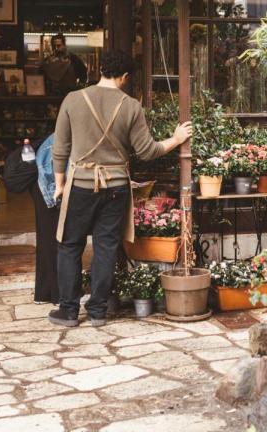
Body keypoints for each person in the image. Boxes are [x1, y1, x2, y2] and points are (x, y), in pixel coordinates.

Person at [50, 49, 191, 327]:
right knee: (106, 247)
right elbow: (148, 151)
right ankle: (98, 311)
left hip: (80, 183)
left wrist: (60, 184)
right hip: (115, 187)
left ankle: (68, 311)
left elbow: (60, 148)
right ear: (125, 77)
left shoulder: (73, 99)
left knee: (69, 246)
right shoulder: (131, 107)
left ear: (100, 70)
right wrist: (176, 139)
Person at [1, 135, 59, 304]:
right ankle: (58, 294)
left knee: (47, 235)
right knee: (56, 237)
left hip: (42, 177)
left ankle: (45, 292)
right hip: (49, 180)